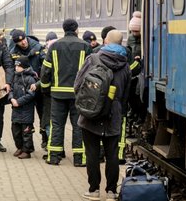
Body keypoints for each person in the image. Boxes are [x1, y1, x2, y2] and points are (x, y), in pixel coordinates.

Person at [75, 30, 131, 201]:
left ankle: (93, 190)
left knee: (91, 153)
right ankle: (111, 192)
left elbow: (78, 85)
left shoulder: (92, 59)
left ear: (106, 41)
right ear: (121, 43)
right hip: (113, 116)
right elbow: (126, 95)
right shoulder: (125, 65)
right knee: (112, 155)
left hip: (91, 114)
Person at [40, 19, 91, 166]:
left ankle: (54, 157)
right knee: (78, 126)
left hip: (57, 94)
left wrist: (45, 88)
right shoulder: (85, 46)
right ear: (76, 29)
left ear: (63, 29)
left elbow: (45, 71)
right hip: (78, 94)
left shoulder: (54, 46)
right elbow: (91, 70)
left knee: (56, 125)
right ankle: (79, 159)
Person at [10, 29, 46, 148]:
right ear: (16, 43)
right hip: (23, 90)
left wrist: (39, 83)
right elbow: (11, 70)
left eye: (24, 39)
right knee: (24, 117)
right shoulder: (13, 52)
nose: (23, 42)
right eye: (20, 42)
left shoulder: (38, 48)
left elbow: (46, 68)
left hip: (39, 88)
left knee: (43, 115)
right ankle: (26, 145)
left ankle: (45, 139)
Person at [9, 56, 37, 159]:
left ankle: (27, 150)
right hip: (15, 109)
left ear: (24, 67)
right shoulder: (15, 77)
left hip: (26, 111)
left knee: (26, 132)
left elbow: (31, 94)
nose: (16, 68)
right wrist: (11, 98)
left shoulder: (30, 79)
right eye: (15, 65)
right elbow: (11, 89)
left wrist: (19, 102)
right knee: (15, 131)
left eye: (18, 66)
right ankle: (20, 147)